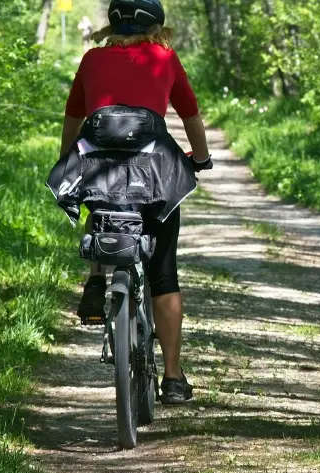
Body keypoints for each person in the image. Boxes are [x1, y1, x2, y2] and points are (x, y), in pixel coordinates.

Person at [56, 0, 213, 404]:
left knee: (98, 199)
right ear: (156, 25)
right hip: (155, 172)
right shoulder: (164, 57)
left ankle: (96, 278)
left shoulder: (92, 60)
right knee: (164, 274)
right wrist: (201, 158)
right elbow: (190, 114)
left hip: (99, 166)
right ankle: (174, 378)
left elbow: (74, 120)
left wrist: (66, 160)